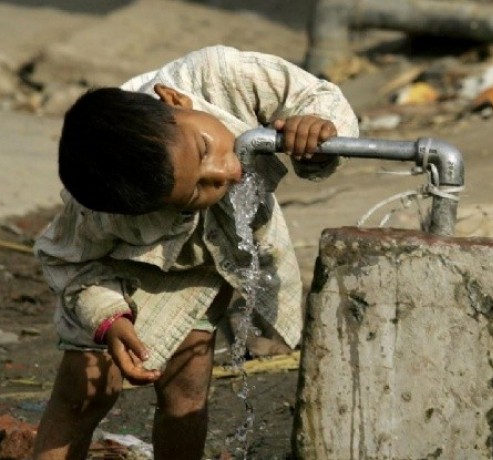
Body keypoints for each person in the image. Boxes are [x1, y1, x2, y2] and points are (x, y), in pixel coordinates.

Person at [31, 45, 359, 460]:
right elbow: (68, 261)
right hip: (123, 266)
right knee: (86, 390)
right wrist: (108, 318)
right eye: (197, 192)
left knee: (186, 393)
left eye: (205, 149)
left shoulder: (224, 74)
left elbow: (321, 96)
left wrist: (316, 126)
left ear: (175, 100)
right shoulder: (98, 212)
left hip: (206, 258)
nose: (226, 172)